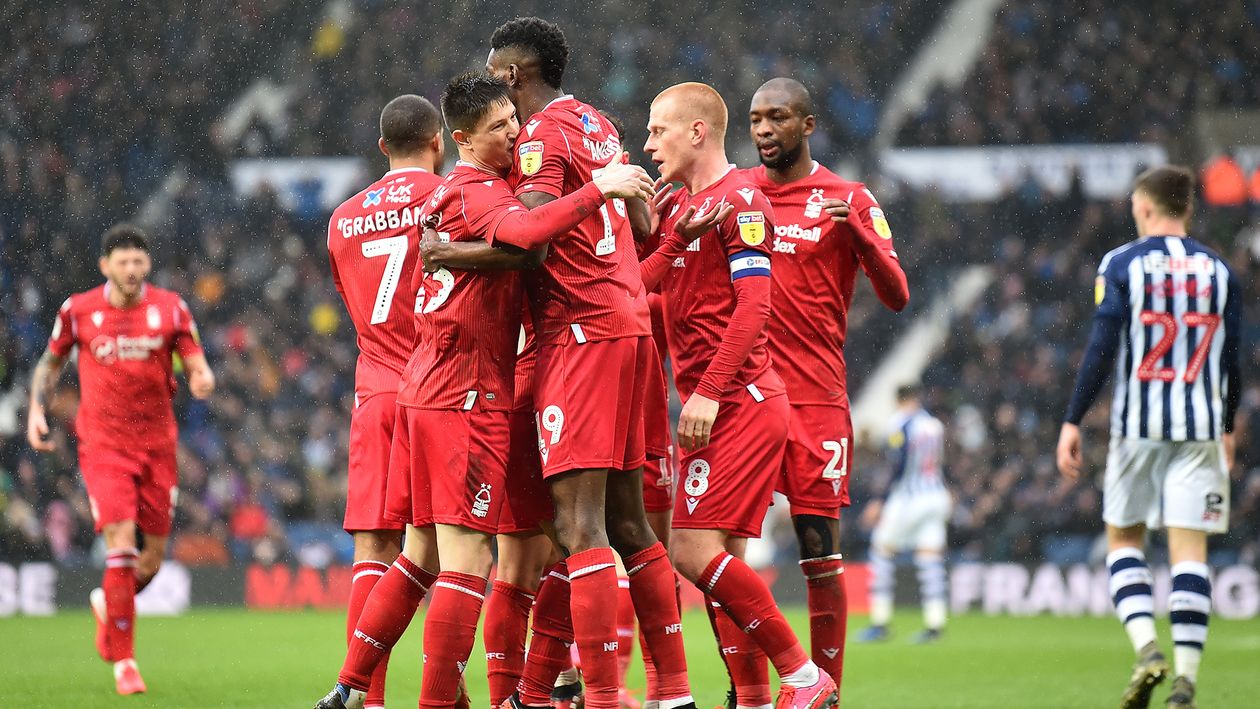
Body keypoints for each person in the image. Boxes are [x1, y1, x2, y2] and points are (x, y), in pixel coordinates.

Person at [316, 71, 654, 709]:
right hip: (465, 394)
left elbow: (517, 254)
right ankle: (444, 700)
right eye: (502, 126)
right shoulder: (475, 189)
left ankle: (351, 686)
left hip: (411, 384)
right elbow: (527, 237)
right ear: (457, 140)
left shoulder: (385, 209)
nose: (517, 133)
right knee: (470, 561)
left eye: (515, 120)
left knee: (417, 555)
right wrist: (600, 187)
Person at [485, 17, 694, 709]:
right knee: (630, 523)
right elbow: (643, 225)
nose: (489, 80)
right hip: (628, 323)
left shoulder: (542, 134)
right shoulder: (598, 124)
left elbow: (532, 238)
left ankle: (600, 696)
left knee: (578, 527)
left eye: (494, 69)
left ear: (513, 74)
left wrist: (465, 245)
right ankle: (674, 692)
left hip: (579, 330)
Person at [639, 81, 837, 709]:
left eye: (657, 130)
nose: (648, 143)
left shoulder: (742, 200)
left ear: (697, 132)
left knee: (691, 551)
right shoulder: (676, 208)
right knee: (723, 566)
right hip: (716, 406)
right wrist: (661, 238)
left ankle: (804, 677)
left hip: (741, 401)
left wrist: (707, 394)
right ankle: (754, 699)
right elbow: (631, 290)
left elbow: (756, 306)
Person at [744, 77, 909, 699]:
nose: (763, 130)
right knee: (717, 550)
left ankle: (827, 692)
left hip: (815, 399)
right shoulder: (739, 194)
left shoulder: (848, 198)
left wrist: (860, 236)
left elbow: (896, 295)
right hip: (748, 397)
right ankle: (753, 689)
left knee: (818, 552)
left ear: (807, 125)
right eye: (756, 119)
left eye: (777, 118)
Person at [1057, 165, 1241, 709]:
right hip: (1201, 427)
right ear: (1187, 208)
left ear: (1144, 206)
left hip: (1138, 427)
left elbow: (1102, 345)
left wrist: (1073, 418)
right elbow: (1233, 358)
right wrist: (1228, 424)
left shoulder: (1121, 263)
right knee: (1190, 553)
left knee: (1124, 541)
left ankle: (1145, 649)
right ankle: (1185, 681)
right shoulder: (1219, 270)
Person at [27, 224, 215, 695]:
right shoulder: (78, 310)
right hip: (104, 448)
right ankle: (125, 662)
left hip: (157, 448)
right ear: (105, 266)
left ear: (147, 265)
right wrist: (35, 409)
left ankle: (108, 604)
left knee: (150, 561)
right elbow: (49, 364)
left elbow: (193, 355)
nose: (131, 269)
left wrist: (201, 376)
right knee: (121, 545)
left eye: (138, 261)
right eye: (122, 261)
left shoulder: (171, 308)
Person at [325, 93, 446, 709]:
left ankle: (364, 699)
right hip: (441, 391)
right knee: (453, 550)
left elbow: (354, 299)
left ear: (382, 148)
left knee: (374, 549)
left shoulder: (342, 217)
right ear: (439, 141)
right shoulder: (448, 198)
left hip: (375, 390)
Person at [856, 384, 949, 644]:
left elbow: (897, 463)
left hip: (909, 498)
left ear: (899, 400)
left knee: (881, 551)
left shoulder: (899, 424)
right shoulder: (934, 425)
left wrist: (879, 500)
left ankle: (880, 621)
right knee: (930, 559)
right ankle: (935, 623)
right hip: (935, 495)